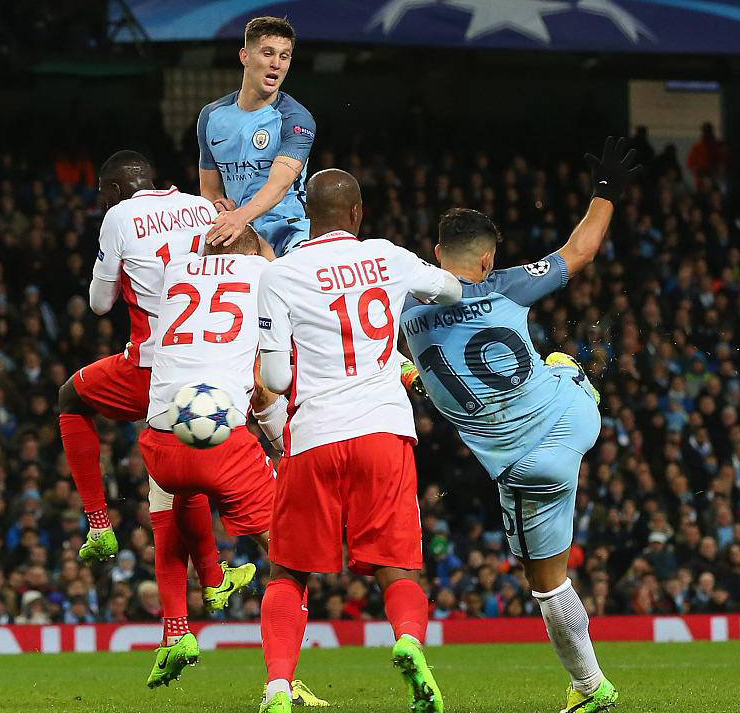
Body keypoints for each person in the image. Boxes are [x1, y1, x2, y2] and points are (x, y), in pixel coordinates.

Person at [399, 137, 640, 713]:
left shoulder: (402, 306)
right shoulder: (506, 283)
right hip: (574, 416)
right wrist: (606, 191)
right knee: (557, 359)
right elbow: (581, 250)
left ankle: (592, 688)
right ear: (487, 260)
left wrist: (411, 374)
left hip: (530, 467)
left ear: (436, 253)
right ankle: (576, 378)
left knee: (549, 586)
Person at [255, 169, 462, 713]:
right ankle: (408, 640)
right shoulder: (387, 256)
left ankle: (278, 687)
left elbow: (274, 378)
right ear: (356, 213)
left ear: (308, 215)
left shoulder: (280, 275)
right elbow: (450, 288)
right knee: (397, 565)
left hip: (315, 434)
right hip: (383, 430)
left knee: (288, 572)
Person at [137, 227, 326, 707]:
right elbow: (265, 389)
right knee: (289, 557)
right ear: (253, 250)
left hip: (161, 442)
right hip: (223, 439)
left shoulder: (174, 269)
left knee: (170, 501)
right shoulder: (264, 272)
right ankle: (281, 683)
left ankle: (179, 625)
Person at [55, 149, 227, 625]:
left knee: (71, 398)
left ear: (113, 190)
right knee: (179, 482)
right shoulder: (200, 205)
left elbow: (98, 303)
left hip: (150, 368)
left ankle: (98, 525)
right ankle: (211, 583)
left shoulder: (119, 216)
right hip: (210, 364)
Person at [197, 17, 316, 256]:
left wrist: (240, 217)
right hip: (240, 233)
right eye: (267, 53)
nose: (276, 64)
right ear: (245, 56)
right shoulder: (211, 117)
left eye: (284, 56)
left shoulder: (296, 119)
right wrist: (218, 204)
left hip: (288, 233)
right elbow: (209, 189)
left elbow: (279, 186)